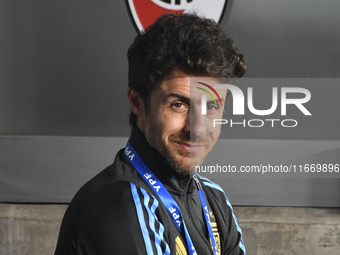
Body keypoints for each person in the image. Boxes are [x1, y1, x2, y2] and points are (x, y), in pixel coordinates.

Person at [55, 13, 246, 255]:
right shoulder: (118, 205)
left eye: (210, 106)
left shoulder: (215, 200)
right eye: (179, 104)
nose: (196, 128)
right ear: (138, 102)